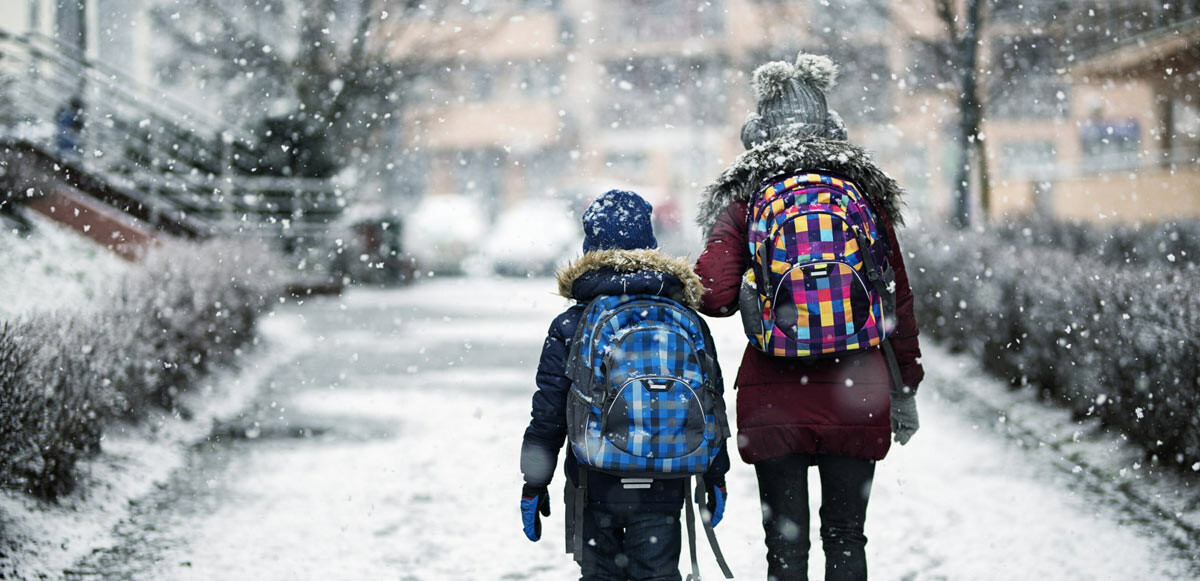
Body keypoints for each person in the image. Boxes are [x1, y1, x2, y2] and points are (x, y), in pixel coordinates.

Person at [693, 53, 924, 581]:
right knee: (845, 536)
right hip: (858, 389)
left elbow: (715, 295)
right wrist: (904, 384)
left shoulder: (748, 202)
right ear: (832, 129)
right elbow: (898, 303)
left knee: (786, 546)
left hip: (774, 394)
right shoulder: (862, 197)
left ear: (758, 134)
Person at [520, 189, 731, 581]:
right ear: (649, 243)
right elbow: (710, 402)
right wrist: (715, 472)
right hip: (666, 482)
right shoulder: (684, 317)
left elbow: (548, 414)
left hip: (593, 478)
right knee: (659, 573)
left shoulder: (572, 325)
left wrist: (534, 482)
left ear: (589, 245)